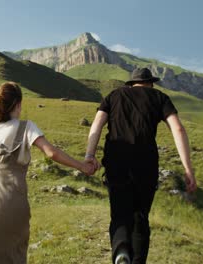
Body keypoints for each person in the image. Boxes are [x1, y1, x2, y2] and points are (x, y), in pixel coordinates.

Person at [0, 81, 95, 264]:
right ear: (17, 104)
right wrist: (82, 166)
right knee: (11, 256)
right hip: (11, 205)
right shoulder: (26, 127)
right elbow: (51, 152)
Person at [84, 68, 197, 264]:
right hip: (146, 165)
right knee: (140, 216)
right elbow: (178, 129)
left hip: (116, 162)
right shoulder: (160, 97)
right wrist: (188, 168)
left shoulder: (114, 95)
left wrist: (89, 155)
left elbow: (97, 125)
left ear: (131, 83)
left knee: (120, 213)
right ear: (150, 83)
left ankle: (120, 252)